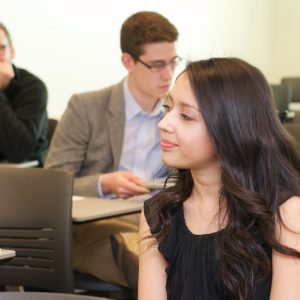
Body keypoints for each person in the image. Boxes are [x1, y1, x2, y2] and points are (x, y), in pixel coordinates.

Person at [139, 58, 300, 300]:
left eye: (186, 116)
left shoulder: (286, 213)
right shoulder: (159, 213)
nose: (164, 123)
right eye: (168, 108)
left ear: (232, 126)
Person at [45, 11, 179, 286]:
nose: (168, 74)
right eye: (156, 65)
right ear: (128, 61)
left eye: (172, 62)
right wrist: (104, 183)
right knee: (154, 260)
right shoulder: (86, 107)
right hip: (99, 225)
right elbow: (53, 182)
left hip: (162, 222)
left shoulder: (179, 111)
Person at [0, 22, 48, 166]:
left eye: (0, 48)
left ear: (12, 53)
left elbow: (18, 150)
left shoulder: (33, 88)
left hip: (22, 176)